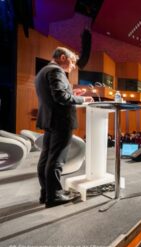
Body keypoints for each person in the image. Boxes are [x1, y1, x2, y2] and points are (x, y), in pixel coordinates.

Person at [35, 47, 93, 208]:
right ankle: (54, 195)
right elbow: (61, 97)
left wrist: (72, 93)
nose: (73, 66)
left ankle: (46, 193)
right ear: (62, 57)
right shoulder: (56, 71)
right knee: (56, 159)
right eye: (73, 62)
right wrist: (84, 100)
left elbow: (56, 95)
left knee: (46, 158)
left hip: (49, 120)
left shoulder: (43, 71)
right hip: (61, 121)